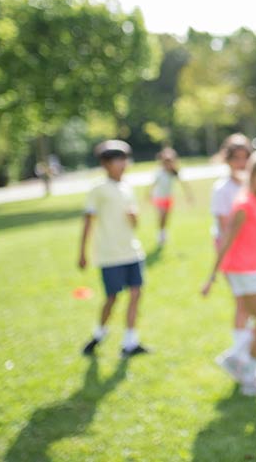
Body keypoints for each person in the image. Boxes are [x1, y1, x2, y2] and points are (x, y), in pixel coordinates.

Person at [202, 149, 256, 396]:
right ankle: (246, 371)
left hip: (252, 270)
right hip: (243, 272)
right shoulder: (244, 203)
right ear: (252, 175)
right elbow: (225, 239)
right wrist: (212, 276)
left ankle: (240, 362)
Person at [79, 139, 150, 357]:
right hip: (110, 255)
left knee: (136, 293)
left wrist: (134, 218)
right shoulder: (98, 190)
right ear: (105, 164)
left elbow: (135, 223)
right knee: (112, 298)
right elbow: (88, 222)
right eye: (117, 159)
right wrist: (82, 252)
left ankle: (130, 341)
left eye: (124, 159)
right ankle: (99, 334)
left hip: (132, 251)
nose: (123, 164)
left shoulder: (127, 188)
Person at [209, 133, 254, 358]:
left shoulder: (251, 185)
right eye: (236, 158)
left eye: (245, 157)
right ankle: (238, 355)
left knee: (250, 305)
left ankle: (242, 352)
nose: (241, 163)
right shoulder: (222, 189)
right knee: (243, 303)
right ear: (227, 159)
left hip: (249, 253)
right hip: (232, 253)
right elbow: (225, 229)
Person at [148, 146, 193, 247]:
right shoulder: (159, 172)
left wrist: (188, 195)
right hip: (159, 197)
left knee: (166, 217)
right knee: (162, 215)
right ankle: (160, 234)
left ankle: (163, 232)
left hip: (168, 198)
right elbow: (153, 184)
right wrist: (149, 194)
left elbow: (183, 183)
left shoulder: (174, 172)